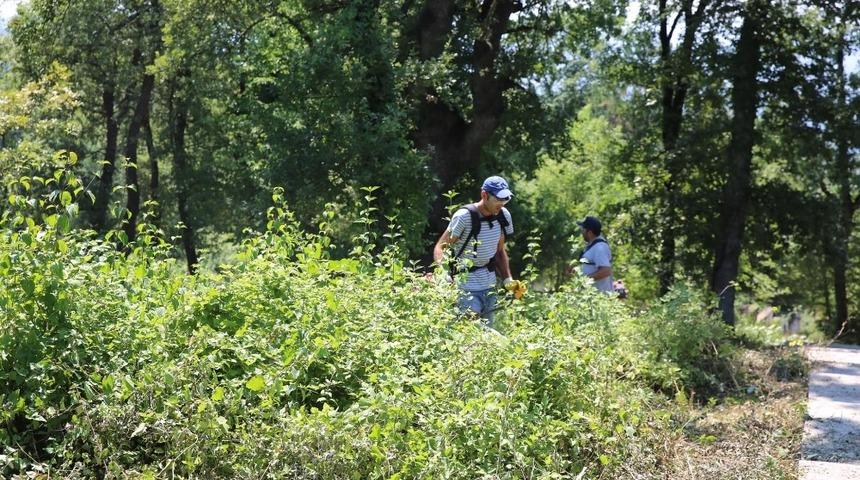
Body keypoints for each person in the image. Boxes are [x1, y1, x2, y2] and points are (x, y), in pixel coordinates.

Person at [433, 176, 519, 327]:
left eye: (505, 199)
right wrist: (443, 273)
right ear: (484, 195)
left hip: (490, 287)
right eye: (498, 199)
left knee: (486, 334)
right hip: (465, 288)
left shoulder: (503, 216)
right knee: (472, 332)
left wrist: (508, 279)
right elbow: (440, 247)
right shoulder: (464, 217)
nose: (502, 204)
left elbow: (499, 251)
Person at [577, 216, 614, 293]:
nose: (582, 232)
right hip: (591, 296)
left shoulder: (599, 247)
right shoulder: (591, 246)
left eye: (583, 229)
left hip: (600, 297)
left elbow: (605, 271)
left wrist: (585, 280)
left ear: (590, 232)